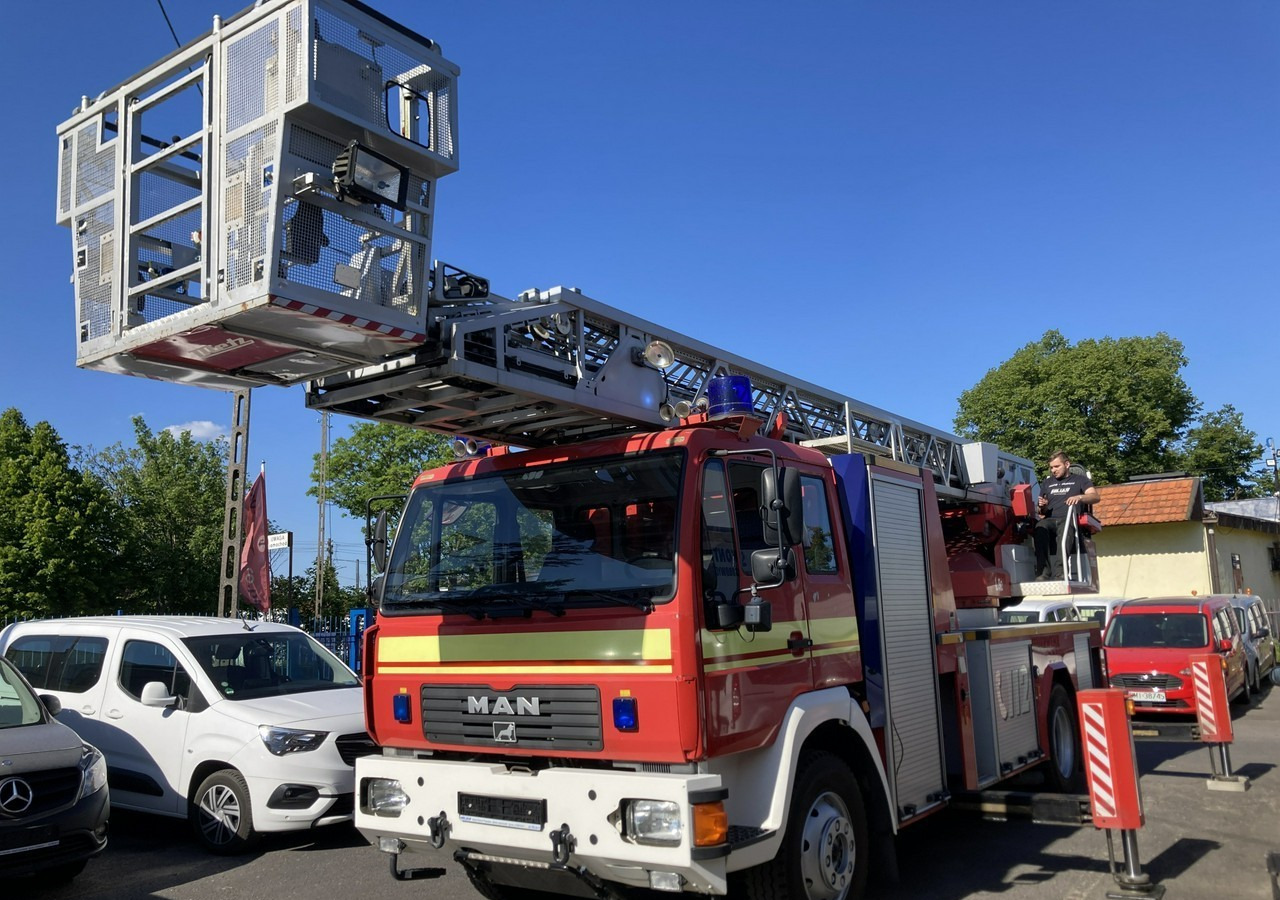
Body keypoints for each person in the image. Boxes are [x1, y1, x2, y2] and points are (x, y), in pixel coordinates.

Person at [1033, 451, 1100, 580]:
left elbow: (1095, 497)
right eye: (1051, 467)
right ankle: (1043, 573)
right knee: (1040, 527)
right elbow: (1041, 511)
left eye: (1056, 466)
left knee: (1064, 530)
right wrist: (1043, 505)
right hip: (1050, 519)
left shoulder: (1080, 480)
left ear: (1067, 464)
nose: (1053, 470)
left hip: (1069, 518)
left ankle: (1061, 573)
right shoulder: (1047, 483)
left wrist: (1080, 497)